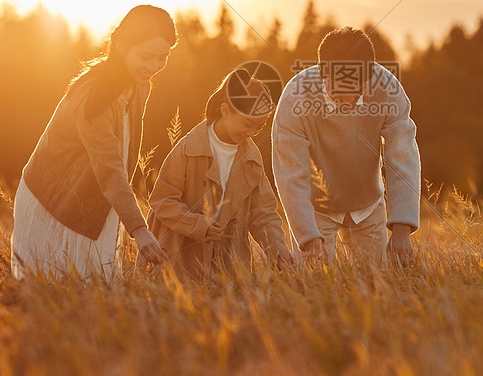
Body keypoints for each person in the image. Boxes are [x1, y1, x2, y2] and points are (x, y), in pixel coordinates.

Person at [10, 5, 174, 281]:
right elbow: (109, 166)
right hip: (53, 202)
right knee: (57, 290)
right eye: (146, 56)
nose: (154, 66)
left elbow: (122, 153)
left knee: (97, 290)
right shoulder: (94, 97)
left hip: (97, 196)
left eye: (162, 57)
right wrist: (139, 229)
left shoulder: (139, 85)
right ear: (121, 46)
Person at [271, 27, 421, 265]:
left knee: (376, 282)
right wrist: (308, 236)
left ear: (369, 75)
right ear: (323, 74)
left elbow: (402, 157)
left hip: (368, 203)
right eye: (339, 91)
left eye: (357, 90)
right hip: (316, 207)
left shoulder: (388, 90)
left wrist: (402, 228)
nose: (349, 101)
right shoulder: (294, 100)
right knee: (313, 284)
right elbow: (291, 174)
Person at [146, 68, 294, 280]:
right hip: (180, 261)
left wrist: (279, 251)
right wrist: (198, 225)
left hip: (229, 266)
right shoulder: (187, 148)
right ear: (225, 111)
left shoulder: (252, 158)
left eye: (259, 128)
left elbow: (264, 214)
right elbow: (162, 200)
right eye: (247, 124)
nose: (251, 133)